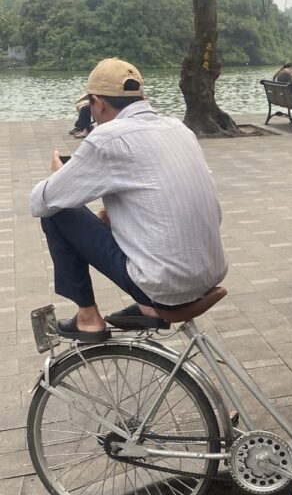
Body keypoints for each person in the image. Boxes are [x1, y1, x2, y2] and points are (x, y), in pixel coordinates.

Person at [30, 57, 228, 342]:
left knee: (56, 213)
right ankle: (148, 309)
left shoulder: (107, 137)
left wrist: (57, 178)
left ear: (97, 103)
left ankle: (88, 318)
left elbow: (40, 202)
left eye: (90, 108)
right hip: (210, 271)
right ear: (141, 97)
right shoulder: (178, 129)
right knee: (101, 213)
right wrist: (114, 219)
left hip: (167, 285)